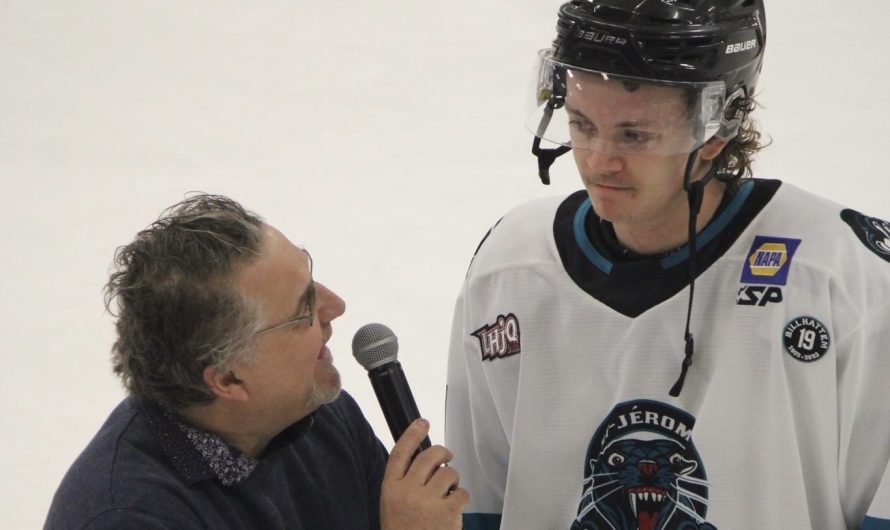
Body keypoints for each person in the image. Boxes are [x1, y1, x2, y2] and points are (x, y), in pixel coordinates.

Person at [444, 1, 890, 529]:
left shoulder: (842, 273)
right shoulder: (510, 268)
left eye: (635, 136)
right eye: (582, 125)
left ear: (719, 129)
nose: (599, 160)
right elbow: (480, 509)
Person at [45, 194, 468, 529]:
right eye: (303, 311)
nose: (335, 306)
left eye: (311, 278)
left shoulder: (320, 414)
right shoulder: (130, 516)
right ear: (228, 378)